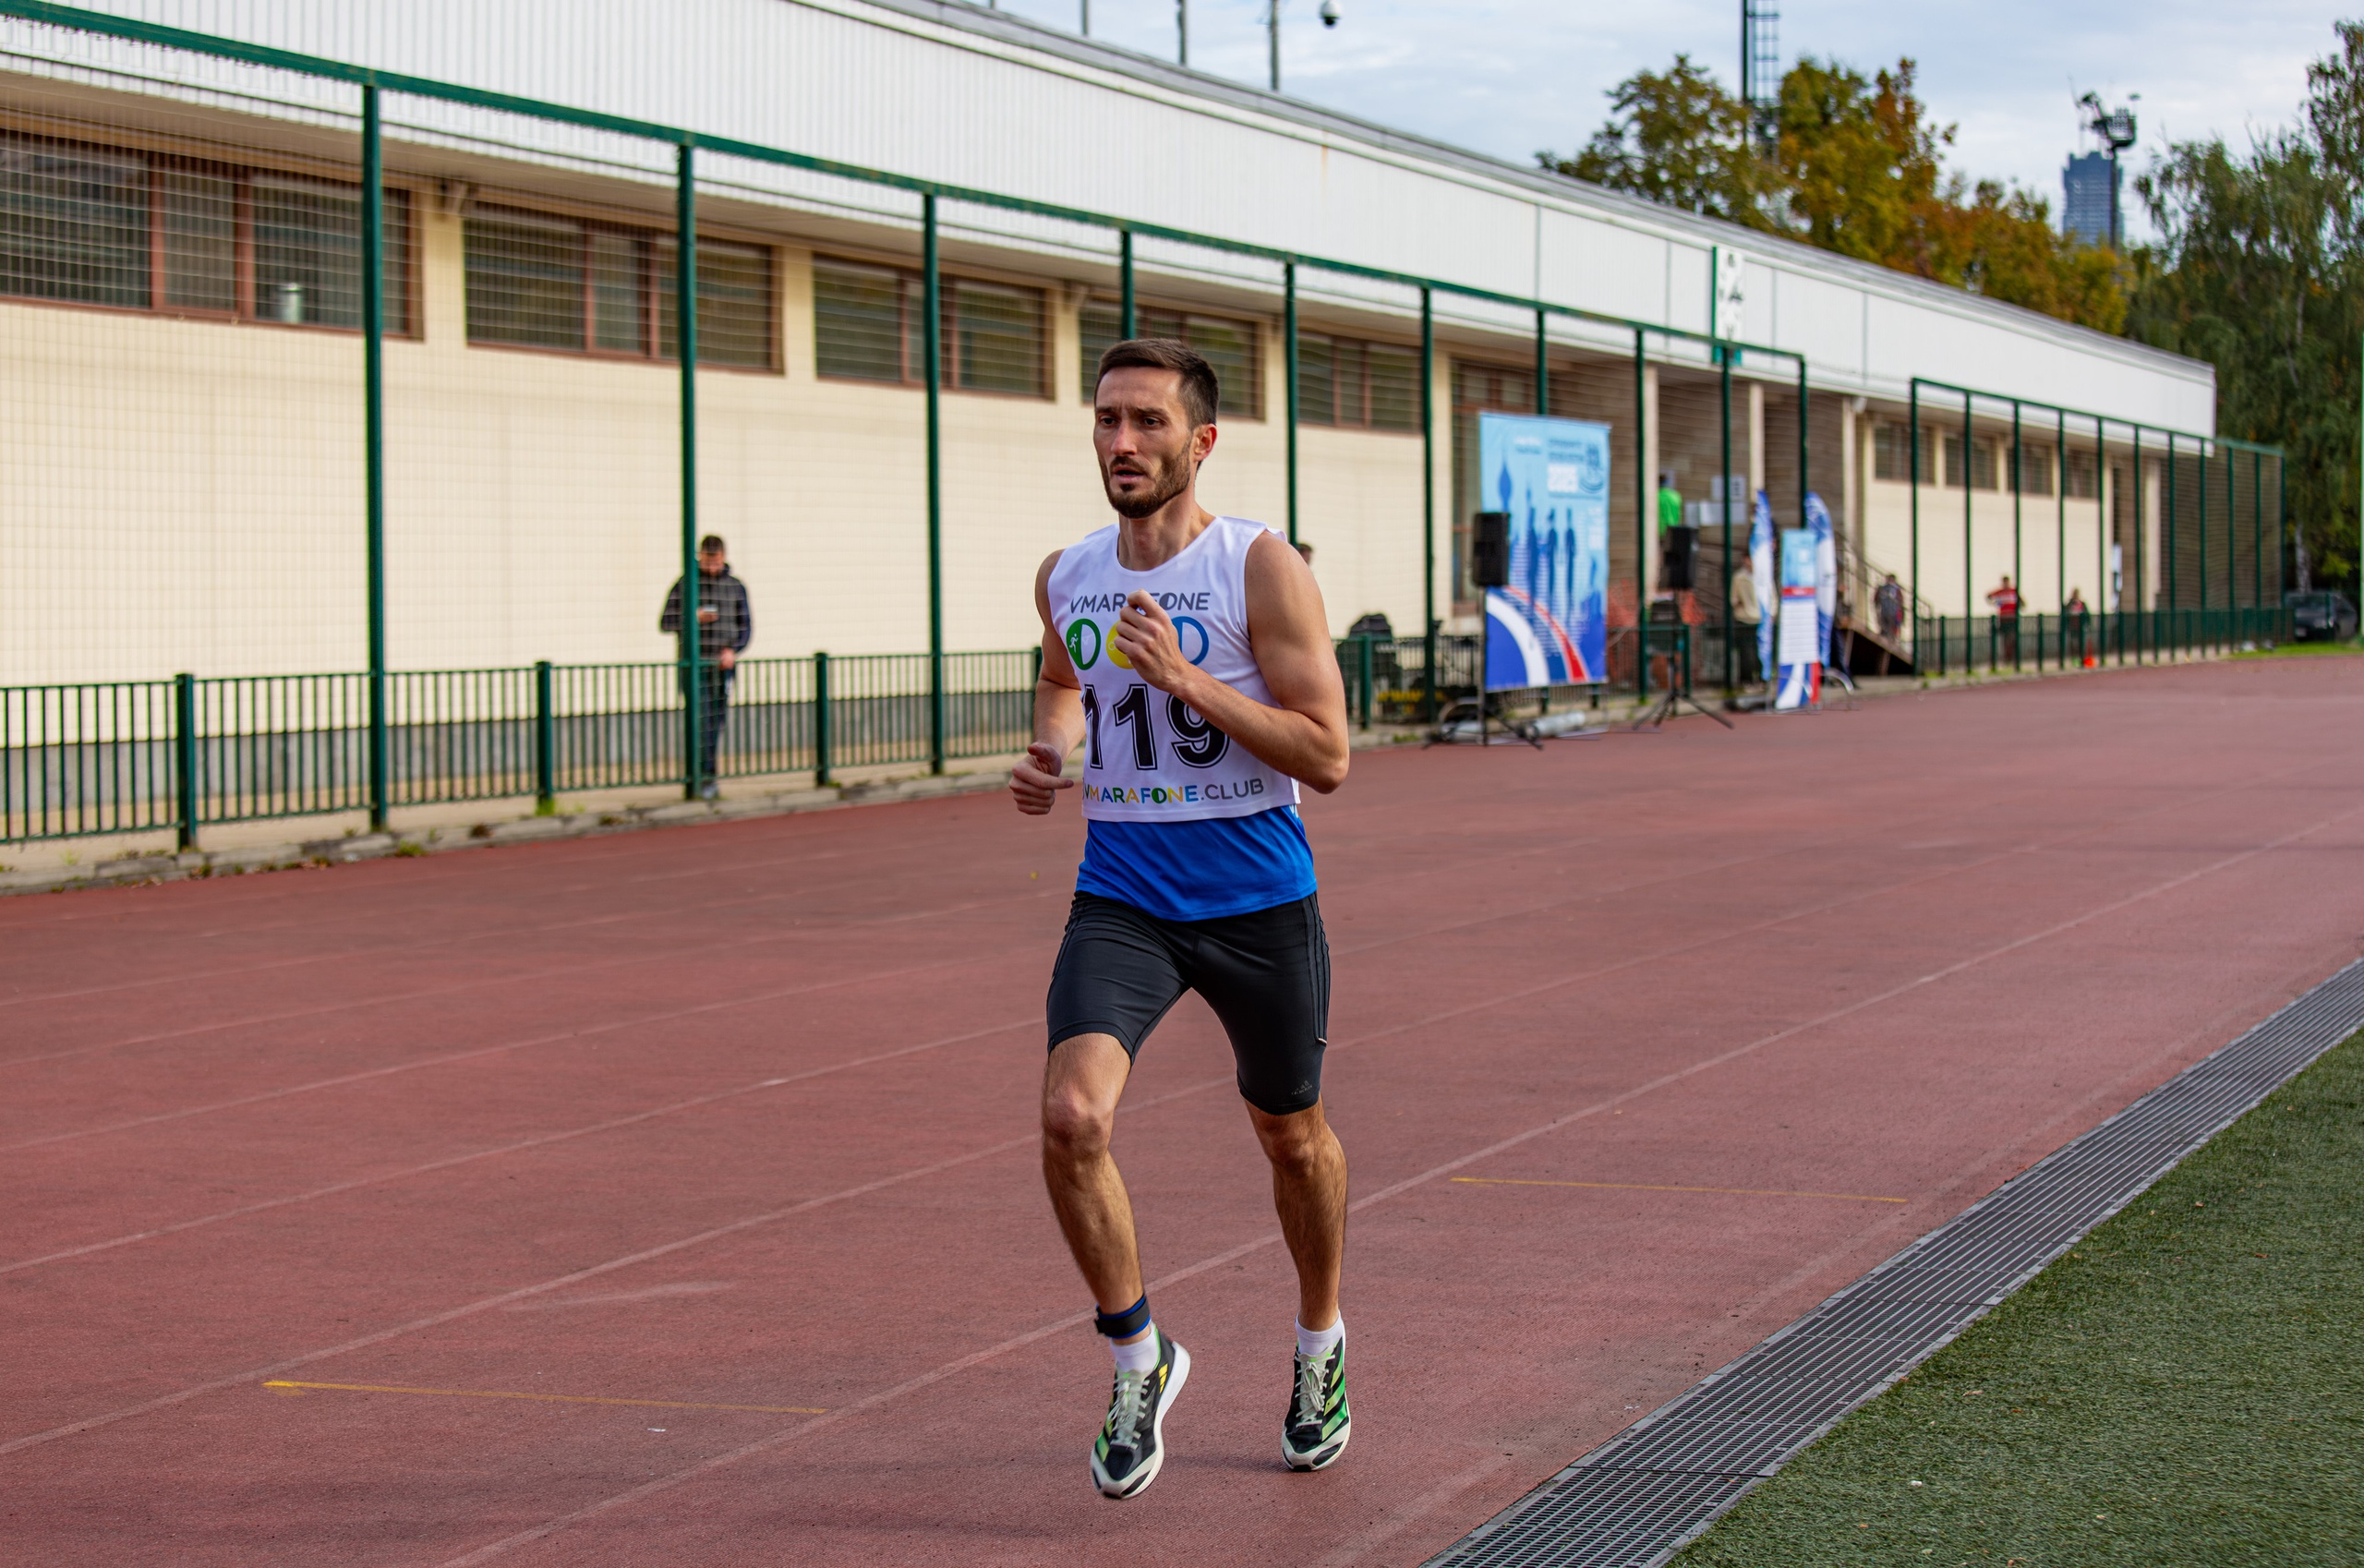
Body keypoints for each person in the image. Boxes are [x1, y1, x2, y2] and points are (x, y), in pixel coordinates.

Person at [1011, 338, 1354, 1501]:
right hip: (1125, 894)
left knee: (1290, 1138)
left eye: (1147, 423)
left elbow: (1330, 754)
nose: (1121, 442)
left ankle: (1318, 1345)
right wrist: (1052, 749)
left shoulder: (1258, 568)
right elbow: (1065, 676)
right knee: (1069, 1117)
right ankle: (1136, 1353)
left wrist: (1193, 684)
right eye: (1106, 420)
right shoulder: (1069, 574)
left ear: (1198, 442)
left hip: (1259, 898)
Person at [657, 534, 752, 799]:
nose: (712, 567)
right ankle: (701, 777)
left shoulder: (735, 587)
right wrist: (693, 617)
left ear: (723, 558)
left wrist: (732, 650)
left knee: (715, 721)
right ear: (700, 557)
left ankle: (708, 776)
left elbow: (745, 626)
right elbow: (665, 621)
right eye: (707, 562)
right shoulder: (686, 584)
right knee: (700, 719)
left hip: (722, 667)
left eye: (716, 562)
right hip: (695, 666)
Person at [1728, 553, 1762, 683]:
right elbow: (1733, 599)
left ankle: (1761, 678)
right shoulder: (1738, 577)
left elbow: (1772, 597)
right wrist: (1739, 605)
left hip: (1760, 619)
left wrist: (1771, 613)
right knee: (1746, 652)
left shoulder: (1763, 575)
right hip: (1744, 619)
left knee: (1760, 651)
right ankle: (1746, 680)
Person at [1986, 574, 2021, 663]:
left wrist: (2017, 608)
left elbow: (2022, 602)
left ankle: (2011, 655)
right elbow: (1989, 596)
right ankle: (2007, 657)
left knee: (2012, 637)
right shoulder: (2000, 592)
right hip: (2003, 618)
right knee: (2005, 638)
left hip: (2012, 618)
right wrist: (1997, 604)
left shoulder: (2014, 591)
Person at [1875, 573, 1905, 644]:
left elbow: (1901, 601)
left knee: (1892, 627)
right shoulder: (1882, 588)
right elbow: (1877, 599)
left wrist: (1901, 612)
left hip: (1893, 612)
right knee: (1884, 626)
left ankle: (1892, 640)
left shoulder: (1897, 589)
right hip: (1884, 611)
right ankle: (1886, 640)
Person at [2065, 586, 2092, 665]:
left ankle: (2082, 660)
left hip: (2081, 628)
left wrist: (2087, 625)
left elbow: (2087, 615)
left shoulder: (2082, 604)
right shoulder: (2069, 604)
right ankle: (2074, 660)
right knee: (2073, 644)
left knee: (2081, 644)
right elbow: (2066, 614)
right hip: (2073, 627)